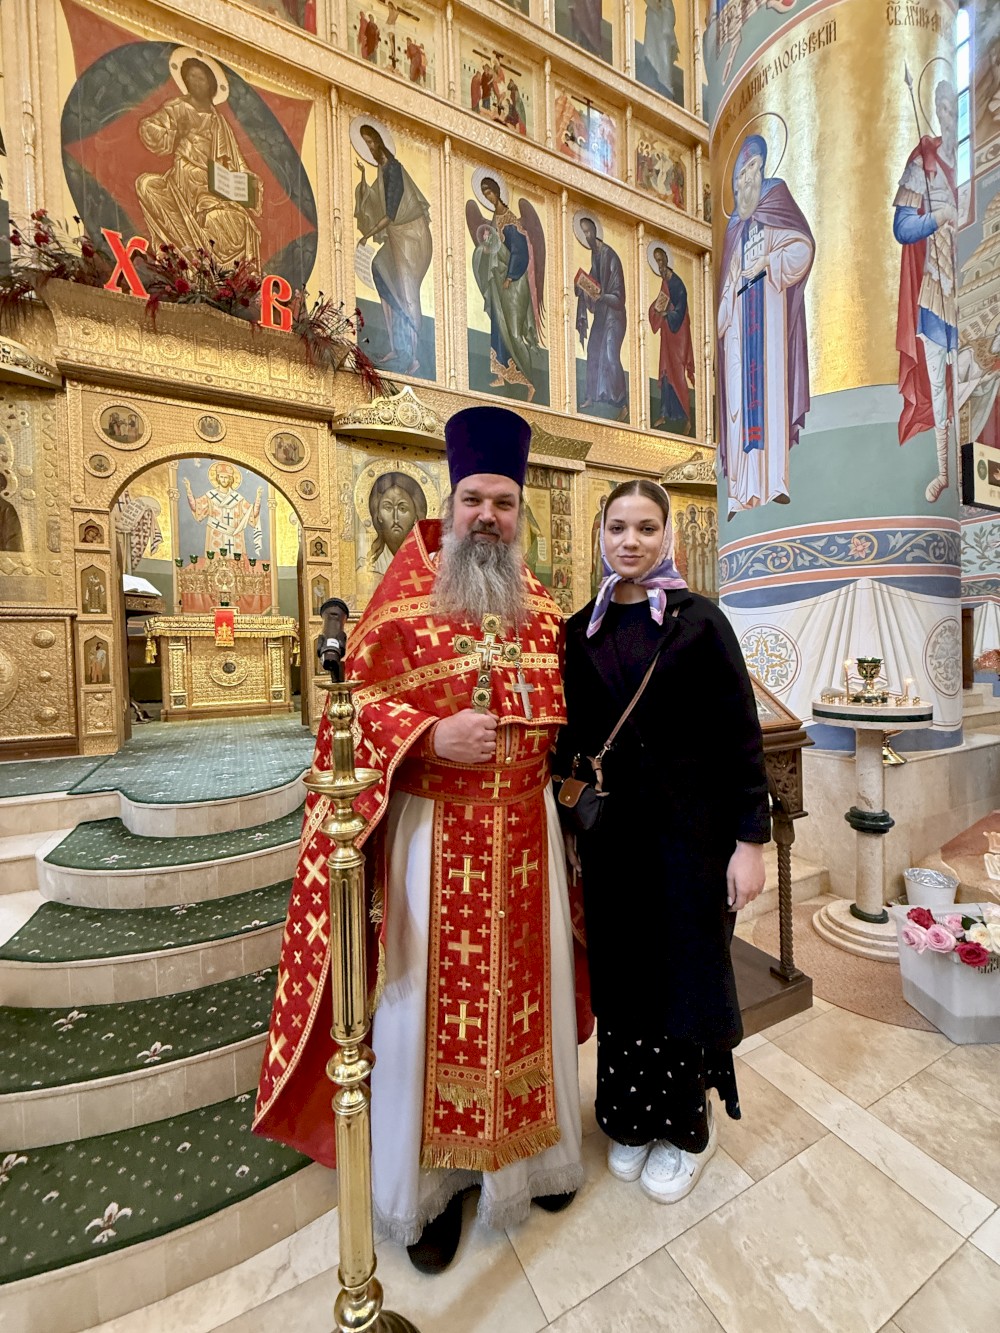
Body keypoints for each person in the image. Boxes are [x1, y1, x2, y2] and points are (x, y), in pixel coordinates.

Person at [255, 404, 584, 1272]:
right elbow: (347, 715)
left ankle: (530, 1157)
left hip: (528, 839)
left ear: (520, 512)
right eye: (475, 499)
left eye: (504, 502)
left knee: (530, 1004)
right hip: (434, 842)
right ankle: (431, 1189)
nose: (488, 516)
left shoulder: (542, 606)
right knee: (424, 1018)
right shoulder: (402, 600)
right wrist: (431, 736)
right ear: (451, 500)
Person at [558, 478, 768, 1205]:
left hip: (691, 842)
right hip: (614, 844)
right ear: (601, 535)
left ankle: (685, 1129)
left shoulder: (700, 622)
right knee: (623, 980)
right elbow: (570, 740)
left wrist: (750, 841)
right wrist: (572, 824)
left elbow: (741, 737)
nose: (631, 541)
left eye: (647, 527)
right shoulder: (578, 630)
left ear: (668, 535)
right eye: (618, 527)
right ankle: (628, 1117)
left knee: (684, 978)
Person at [716, 134, 814, 517]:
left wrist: (768, 263)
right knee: (738, 407)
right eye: (742, 172)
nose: (747, 177)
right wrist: (723, 317)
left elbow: (802, 247)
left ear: (762, 168)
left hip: (768, 315)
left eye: (753, 168)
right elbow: (728, 282)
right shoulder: (734, 228)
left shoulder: (777, 199)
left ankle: (774, 483)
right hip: (739, 330)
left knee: (770, 396)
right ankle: (740, 493)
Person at [894, 80, 959, 502]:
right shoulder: (924, 161)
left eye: (955, 107)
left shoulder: (965, 160)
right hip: (936, 285)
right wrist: (937, 217)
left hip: (969, 281)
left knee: (968, 377)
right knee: (938, 381)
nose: (950, 115)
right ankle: (943, 472)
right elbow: (902, 227)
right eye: (944, 108)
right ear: (936, 111)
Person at [136, 55, 262, 268]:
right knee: (147, 185)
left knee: (228, 222)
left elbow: (236, 161)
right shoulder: (178, 107)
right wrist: (174, 133)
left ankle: (208, 264)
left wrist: (249, 183)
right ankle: (189, 252)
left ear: (211, 86)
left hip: (215, 185)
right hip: (184, 177)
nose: (195, 82)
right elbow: (149, 128)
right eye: (191, 77)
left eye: (200, 78)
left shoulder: (219, 122)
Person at [354, 123, 433, 376]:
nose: (369, 147)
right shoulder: (381, 170)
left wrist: (367, 235)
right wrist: (363, 180)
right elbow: (376, 201)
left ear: (379, 142)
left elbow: (390, 213)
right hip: (395, 236)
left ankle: (413, 357)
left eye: (371, 142)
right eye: (366, 143)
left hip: (411, 237)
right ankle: (396, 347)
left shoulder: (394, 170)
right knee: (379, 268)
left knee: (407, 292)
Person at [575, 216, 629, 421]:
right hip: (602, 313)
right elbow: (592, 282)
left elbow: (619, 298)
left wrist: (601, 296)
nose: (586, 236)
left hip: (615, 316)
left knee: (610, 352)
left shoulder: (610, 257)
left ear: (595, 231)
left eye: (588, 231)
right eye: (583, 233)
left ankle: (622, 403)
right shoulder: (595, 256)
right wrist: (582, 288)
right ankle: (591, 396)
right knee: (593, 350)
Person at [649, 247, 695, 431]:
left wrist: (668, 314)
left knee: (677, 373)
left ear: (666, 260)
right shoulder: (665, 283)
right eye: (656, 261)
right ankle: (664, 414)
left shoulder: (678, 284)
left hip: (679, 334)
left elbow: (680, 311)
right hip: (668, 333)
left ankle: (688, 418)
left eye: (661, 260)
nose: (659, 265)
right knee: (666, 373)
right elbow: (661, 302)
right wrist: (655, 310)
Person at [364, 471, 428, 575]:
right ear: (378, 515)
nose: (395, 518)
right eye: (388, 507)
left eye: (402, 509)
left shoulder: (428, 560)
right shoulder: (370, 564)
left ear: (416, 517)